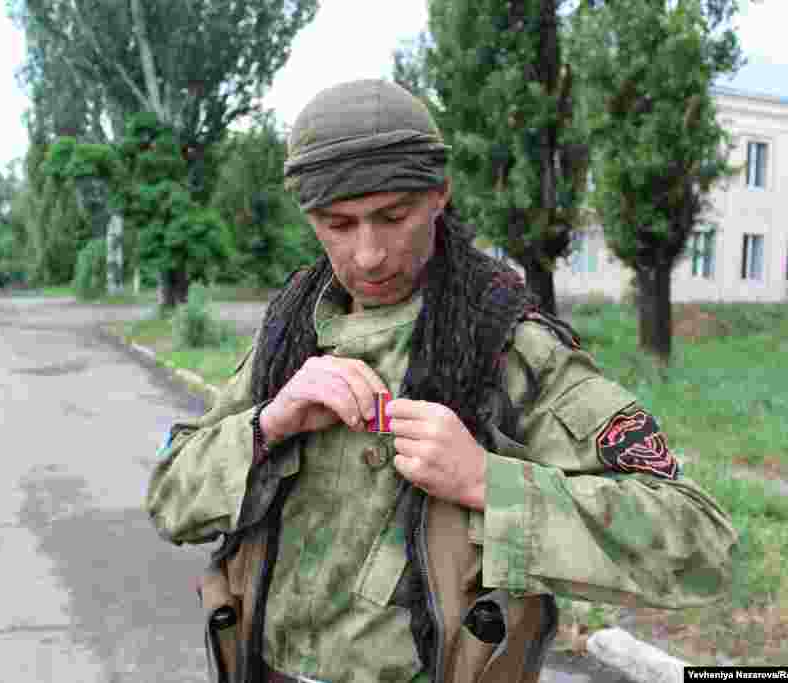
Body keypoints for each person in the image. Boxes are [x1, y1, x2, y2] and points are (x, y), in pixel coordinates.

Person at [145, 79, 738, 683]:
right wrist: (267, 426)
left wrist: (490, 483)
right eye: (338, 224)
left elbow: (698, 542)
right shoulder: (291, 334)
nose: (369, 254)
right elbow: (169, 500)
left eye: (393, 217)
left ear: (440, 195)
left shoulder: (508, 347)